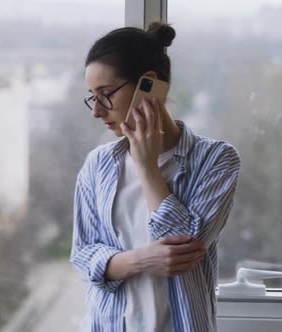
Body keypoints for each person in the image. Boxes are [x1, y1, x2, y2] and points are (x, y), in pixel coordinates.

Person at [70, 22, 241, 332]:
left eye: (105, 95)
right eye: (91, 97)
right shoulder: (98, 165)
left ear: (148, 84)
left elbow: (186, 247)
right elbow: (83, 256)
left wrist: (148, 168)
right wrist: (141, 260)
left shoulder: (216, 160)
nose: (96, 111)